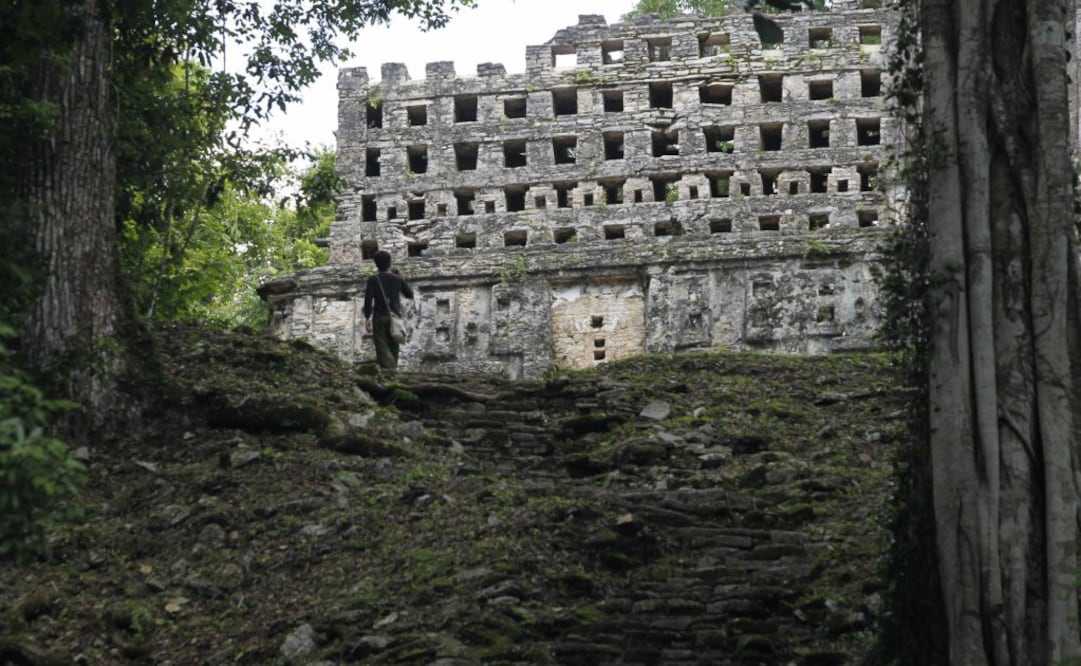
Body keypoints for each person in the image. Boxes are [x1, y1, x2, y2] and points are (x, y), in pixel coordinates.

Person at [362, 250, 413, 370]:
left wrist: (367, 318)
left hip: (379, 317)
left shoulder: (373, 280)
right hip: (394, 316)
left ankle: (389, 370)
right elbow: (409, 294)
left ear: (376, 264)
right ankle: (392, 369)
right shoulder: (397, 279)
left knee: (381, 345)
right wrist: (402, 279)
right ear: (390, 263)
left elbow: (368, 300)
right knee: (394, 345)